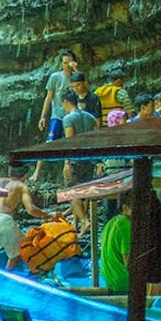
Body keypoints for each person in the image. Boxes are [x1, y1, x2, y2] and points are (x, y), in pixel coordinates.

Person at [0, 162, 54, 270]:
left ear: (9, 173)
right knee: (19, 252)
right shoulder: (21, 186)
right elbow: (31, 209)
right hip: (3, 220)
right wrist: (48, 215)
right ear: (26, 175)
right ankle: (7, 277)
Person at [36, 49, 78, 181]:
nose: (67, 65)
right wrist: (43, 116)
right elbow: (48, 98)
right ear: (61, 63)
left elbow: (84, 89)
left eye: (69, 62)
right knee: (49, 143)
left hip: (72, 116)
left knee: (70, 144)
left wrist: (77, 70)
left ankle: (68, 175)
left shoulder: (77, 77)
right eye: (65, 62)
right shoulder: (55, 77)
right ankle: (37, 172)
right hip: (57, 116)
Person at [61, 90, 98, 234]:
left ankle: (84, 221)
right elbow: (95, 139)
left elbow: (70, 142)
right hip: (88, 159)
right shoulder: (90, 118)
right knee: (84, 191)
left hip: (75, 160)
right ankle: (77, 225)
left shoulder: (68, 119)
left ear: (65, 102)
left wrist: (66, 163)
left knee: (72, 193)